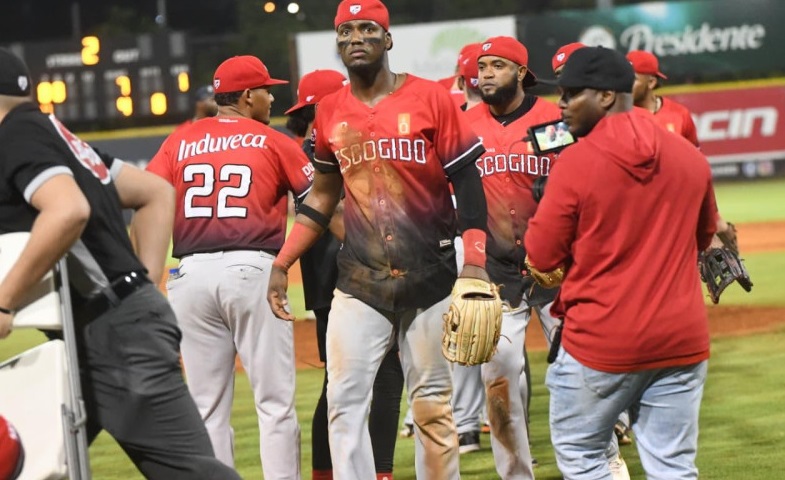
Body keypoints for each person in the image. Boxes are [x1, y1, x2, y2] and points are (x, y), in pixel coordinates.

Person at [267, 1, 489, 478]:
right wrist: (282, 261)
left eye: (367, 28)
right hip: (359, 282)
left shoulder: (430, 98)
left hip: (430, 278)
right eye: (345, 30)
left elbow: (468, 183)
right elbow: (323, 198)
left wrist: (474, 260)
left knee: (431, 406)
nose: (355, 38)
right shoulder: (329, 110)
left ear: (387, 40)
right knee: (344, 403)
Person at [0, 47, 240, 479]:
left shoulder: (15, 132)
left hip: (115, 334)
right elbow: (155, 192)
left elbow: (67, 210)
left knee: (191, 474)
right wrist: (144, 284)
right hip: (98, 332)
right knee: (23, 461)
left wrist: (5, 301)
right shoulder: (49, 132)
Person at [525, 46, 718, 480]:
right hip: (681, 338)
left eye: (572, 93)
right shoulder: (691, 159)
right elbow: (703, 238)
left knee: (582, 454)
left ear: (607, 96)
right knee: (673, 466)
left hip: (602, 339)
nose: (561, 103)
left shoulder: (575, 162)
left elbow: (540, 255)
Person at [146, 54, 308, 477]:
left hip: (188, 276)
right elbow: (319, 201)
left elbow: (147, 200)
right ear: (249, 95)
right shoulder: (271, 140)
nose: (272, 98)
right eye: (267, 90)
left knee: (207, 408)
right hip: (251, 270)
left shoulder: (179, 140)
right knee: (274, 403)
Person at [285, 68, 404, 480]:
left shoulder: (303, 151)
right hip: (352, 274)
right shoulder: (326, 149)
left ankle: (326, 474)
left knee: (336, 387)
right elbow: (333, 211)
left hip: (322, 282)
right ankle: (381, 473)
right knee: (387, 373)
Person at [460, 35, 563, 478]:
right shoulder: (464, 124)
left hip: (558, 266)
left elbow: (576, 182)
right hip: (496, 271)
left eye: (497, 66)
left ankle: (594, 463)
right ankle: (515, 474)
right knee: (498, 376)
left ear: (522, 72)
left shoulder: (553, 120)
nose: (486, 75)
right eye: (482, 67)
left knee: (579, 370)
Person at [627, 50, 699, 147]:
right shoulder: (614, 117)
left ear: (651, 83)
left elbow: (695, 158)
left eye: (632, 79)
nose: (624, 83)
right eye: (621, 77)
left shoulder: (679, 115)